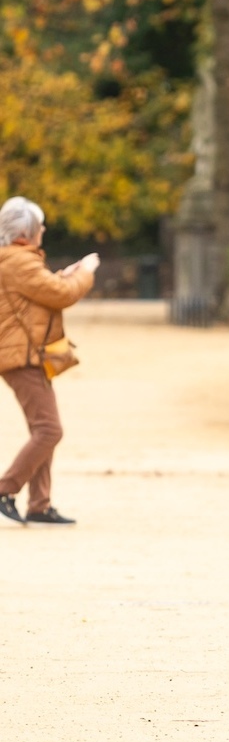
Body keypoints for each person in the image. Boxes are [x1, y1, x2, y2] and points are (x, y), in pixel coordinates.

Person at [0, 198, 99, 527]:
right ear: (26, 232)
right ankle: (5, 489)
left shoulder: (16, 260)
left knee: (41, 429)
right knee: (49, 430)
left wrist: (63, 275)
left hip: (28, 355)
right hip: (22, 358)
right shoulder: (17, 261)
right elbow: (61, 295)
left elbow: (41, 293)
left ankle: (39, 505)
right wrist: (84, 273)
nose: (43, 231)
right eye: (40, 226)